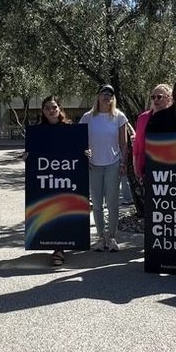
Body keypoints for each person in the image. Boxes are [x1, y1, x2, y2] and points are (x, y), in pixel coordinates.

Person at [79, 84, 129, 252]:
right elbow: (80, 141)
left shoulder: (119, 116)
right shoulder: (87, 117)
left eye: (110, 94)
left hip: (113, 164)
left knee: (113, 204)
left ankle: (112, 237)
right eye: (103, 93)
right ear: (98, 96)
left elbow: (124, 143)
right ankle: (101, 237)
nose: (106, 96)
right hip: (94, 165)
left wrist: (123, 163)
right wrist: (84, 155)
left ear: (113, 98)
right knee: (97, 204)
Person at [35, 95, 75, 266]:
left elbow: (79, 150)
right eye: (47, 108)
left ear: (59, 109)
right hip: (47, 178)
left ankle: (60, 248)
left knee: (63, 210)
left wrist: (86, 154)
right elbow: (33, 153)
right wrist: (26, 157)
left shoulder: (70, 129)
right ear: (43, 111)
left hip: (66, 178)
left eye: (54, 107)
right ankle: (56, 246)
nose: (51, 111)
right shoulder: (38, 131)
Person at [133, 84, 172, 183]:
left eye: (159, 97)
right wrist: (135, 166)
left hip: (168, 166)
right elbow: (137, 145)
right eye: (153, 97)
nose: (156, 100)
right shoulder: (142, 118)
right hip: (146, 166)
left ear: (168, 98)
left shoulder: (174, 117)